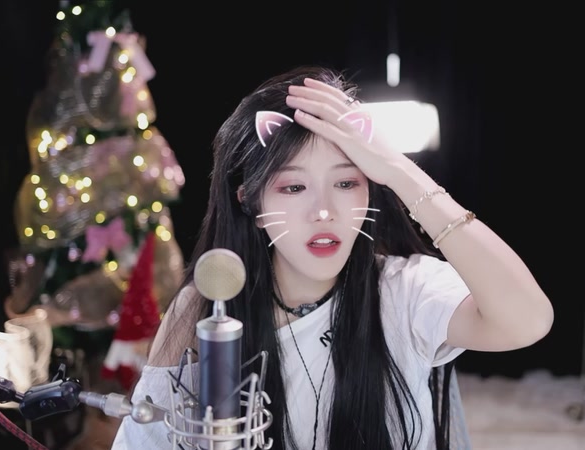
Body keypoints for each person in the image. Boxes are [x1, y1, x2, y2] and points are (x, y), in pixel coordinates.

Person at [111, 65, 553, 450]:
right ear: (251, 202)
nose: (324, 212)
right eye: (294, 187)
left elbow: (527, 321)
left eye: (346, 184)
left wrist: (399, 171)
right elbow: (143, 441)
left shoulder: (404, 290)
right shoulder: (205, 312)